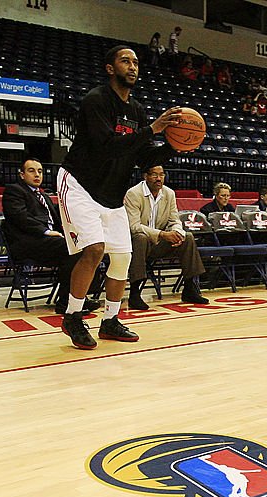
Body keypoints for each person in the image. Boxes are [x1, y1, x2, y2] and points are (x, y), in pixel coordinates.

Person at [56, 44, 182, 350]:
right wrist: (153, 129)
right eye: (126, 61)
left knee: (123, 256)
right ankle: (72, 316)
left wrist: (175, 146)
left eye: (136, 62)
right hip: (79, 184)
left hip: (110, 194)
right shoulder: (96, 100)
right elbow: (107, 146)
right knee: (95, 249)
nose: (133, 66)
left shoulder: (136, 110)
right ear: (111, 68)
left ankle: (110, 321)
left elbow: (141, 156)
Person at [2, 158, 99, 315]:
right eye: (31, 170)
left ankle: (77, 296)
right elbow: (20, 217)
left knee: (87, 245)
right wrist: (45, 231)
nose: (37, 175)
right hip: (28, 242)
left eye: (40, 171)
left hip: (50, 242)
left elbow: (61, 218)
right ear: (21, 174)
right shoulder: (14, 191)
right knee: (71, 248)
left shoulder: (44, 195)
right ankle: (66, 301)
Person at [124, 165, 207, 309]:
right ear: (145, 176)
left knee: (187, 237)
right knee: (140, 237)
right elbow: (134, 226)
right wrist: (162, 234)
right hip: (135, 244)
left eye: (161, 175)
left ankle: (189, 288)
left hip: (158, 243)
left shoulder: (169, 193)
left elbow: (174, 220)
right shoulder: (133, 193)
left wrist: (177, 234)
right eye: (154, 175)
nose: (159, 178)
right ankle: (134, 294)